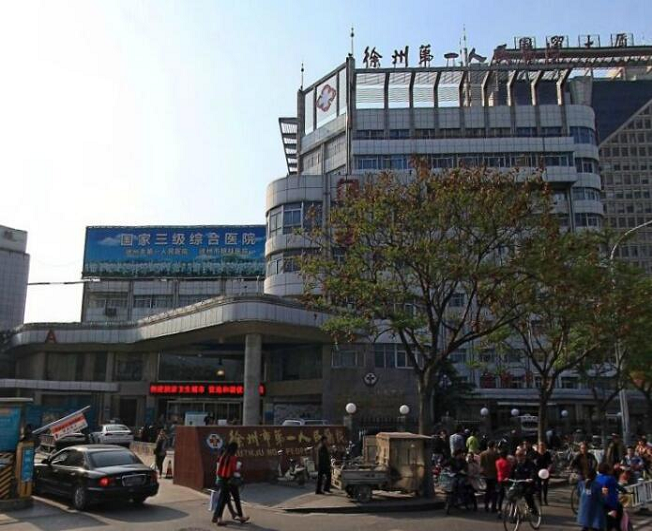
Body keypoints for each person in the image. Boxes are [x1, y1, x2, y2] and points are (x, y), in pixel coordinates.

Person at [212, 442, 249, 526]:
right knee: (236, 499)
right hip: (230, 480)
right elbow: (234, 469)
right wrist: (239, 467)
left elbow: (219, 470)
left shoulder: (223, 456)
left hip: (222, 480)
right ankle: (239, 517)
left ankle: (218, 518)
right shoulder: (232, 458)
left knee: (223, 499)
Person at [510, 449, 538, 515]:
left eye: (520, 455)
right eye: (516, 455)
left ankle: (532, 508)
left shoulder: (530, 464)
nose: (518, 457)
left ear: (524, 456)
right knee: (511, 494)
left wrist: (531, 478)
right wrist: (507, 478)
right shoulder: (515, 464)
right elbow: (511, 473)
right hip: (519, 484)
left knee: (527, 494)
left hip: (529, 485)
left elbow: (533, 472)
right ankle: (514, 510)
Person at [479, 440, 498, 513]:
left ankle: (486, 506)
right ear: (493, 446)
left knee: (487, 491)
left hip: (485, 474)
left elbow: (481, 464)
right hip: (494, 474)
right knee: (494, 491)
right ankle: (493, 507)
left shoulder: (482, 454)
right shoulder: (495, 453)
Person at [496, 448, 512, 517]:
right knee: (509, 496)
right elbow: (509, 471)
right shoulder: (507, 462)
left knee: (500, 496)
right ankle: (511, 510)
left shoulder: (497, 462)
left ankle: (499, 510)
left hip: (500, 479)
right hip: (507, 479)